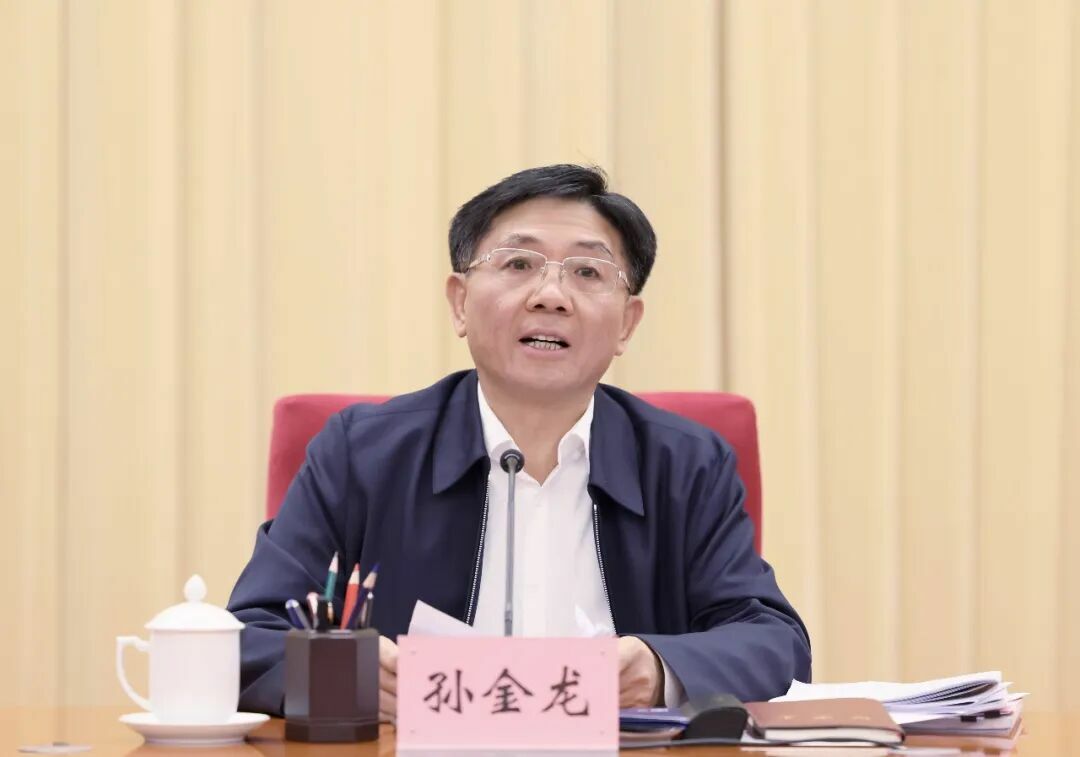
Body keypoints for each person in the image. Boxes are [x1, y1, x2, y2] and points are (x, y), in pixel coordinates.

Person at [227, 164, 811, 720]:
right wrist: (343, 675)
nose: (550, 295)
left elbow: (773, 641)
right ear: (460, 302)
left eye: (588, 273)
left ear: (627, 323)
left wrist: (660, 669)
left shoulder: (685, 463)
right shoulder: (363, 452)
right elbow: (248, 636)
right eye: (518, 264)